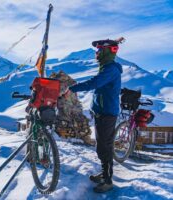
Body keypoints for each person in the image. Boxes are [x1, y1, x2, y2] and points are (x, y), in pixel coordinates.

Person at [64, 38, 124, 193]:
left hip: (107, 113)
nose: (96, 53)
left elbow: (94, 83)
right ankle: (104, 174)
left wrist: (72, 89)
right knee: (102, 145)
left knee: (105, 146)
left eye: (98, 50)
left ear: (105, 51)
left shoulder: (110, 69)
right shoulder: (107, 67)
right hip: (102, 112)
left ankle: (108, 180)